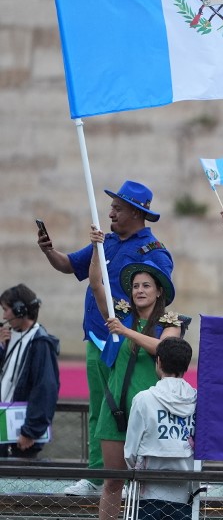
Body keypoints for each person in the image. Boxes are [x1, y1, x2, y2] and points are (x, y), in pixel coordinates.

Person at [37, 180, 173, 496]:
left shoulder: (154, 252)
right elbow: (69, 265)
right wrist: (48, 251)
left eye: (117, 208)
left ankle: (132, 479)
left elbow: (161, 296)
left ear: (136, 213)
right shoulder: (105, 242)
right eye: (112, 206)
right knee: (99, 408)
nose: (110, 212)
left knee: (131, 407)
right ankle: (98, 477)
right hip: (97, 337)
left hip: (129, 343)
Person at [83, 235, 183, 520]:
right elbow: (96, 284)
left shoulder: (171, 323)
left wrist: (125, 333)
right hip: (115, 410)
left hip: (152, 417)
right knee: (113, 480)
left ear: (158, 291)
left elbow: (163, 349)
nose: (139, 290)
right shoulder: (120, 315)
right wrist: (97, 248)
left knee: (152, 487)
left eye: (146, 285)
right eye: (136, 285)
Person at [123, 337, 197, 520]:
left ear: (159, 362)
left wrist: (133, 467)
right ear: (186, 366)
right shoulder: (198, 400)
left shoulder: (144, 399)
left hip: (148, 489)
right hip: (185, 490)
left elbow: (131, 449)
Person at [0, 284, 60, 459]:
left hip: (21, 435)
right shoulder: (9, 337)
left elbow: (45, 388)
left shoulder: (40, 343)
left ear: (20, 310)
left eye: (6, 309)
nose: (4, 316)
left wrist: (31, 431)